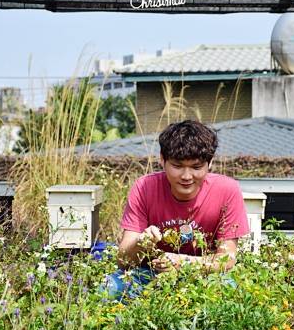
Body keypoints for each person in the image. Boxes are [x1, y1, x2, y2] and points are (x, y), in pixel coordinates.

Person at [102, 120, 250, 301]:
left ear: (210, 162)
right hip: (149, 275)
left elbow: (226, 259)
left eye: (196, 167)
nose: (187, 177)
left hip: (204, 277)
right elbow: (123, 262)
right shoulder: (144, 187)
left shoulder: (227, 190)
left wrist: (182, 262)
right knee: (109, 288)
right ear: (162, 159)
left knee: (228, 289)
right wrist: (142, 242)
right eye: (177, 166)